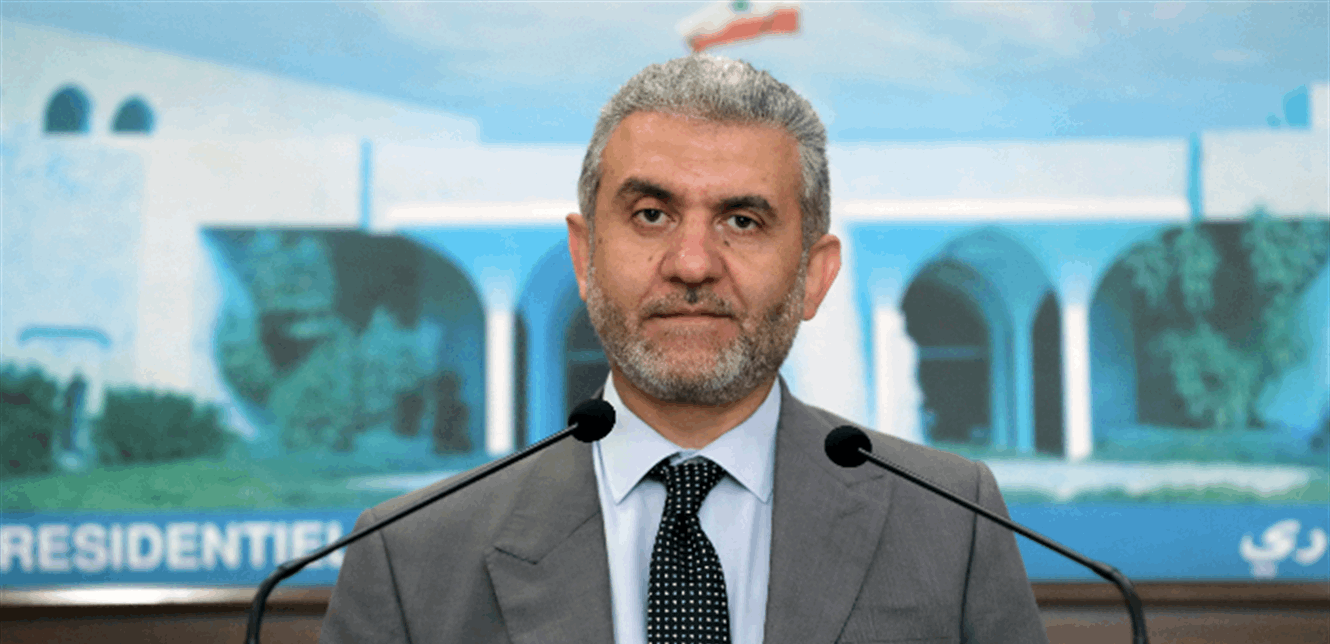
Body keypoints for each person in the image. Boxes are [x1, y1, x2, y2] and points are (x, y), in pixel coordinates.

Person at [320, 54, 1047, 644]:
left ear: (814, 275)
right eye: (650, 214)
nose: (692, 264)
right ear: (584, 256)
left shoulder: (951, 522)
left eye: (742, 220)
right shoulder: (411, 553)